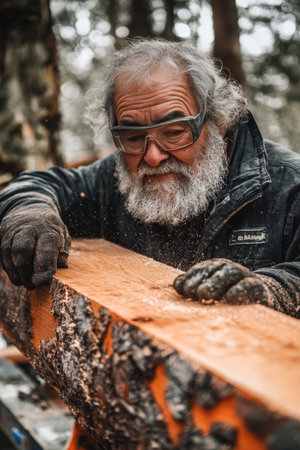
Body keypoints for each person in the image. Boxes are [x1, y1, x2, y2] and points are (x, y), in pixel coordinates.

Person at [0, 39, 299, 317]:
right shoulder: (113, 179)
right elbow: (39, 185)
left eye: (174, 131)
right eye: (132, 136)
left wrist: (272, 289)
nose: (153, 156)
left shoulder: (289, 186)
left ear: (218, 122)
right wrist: (29, 212)